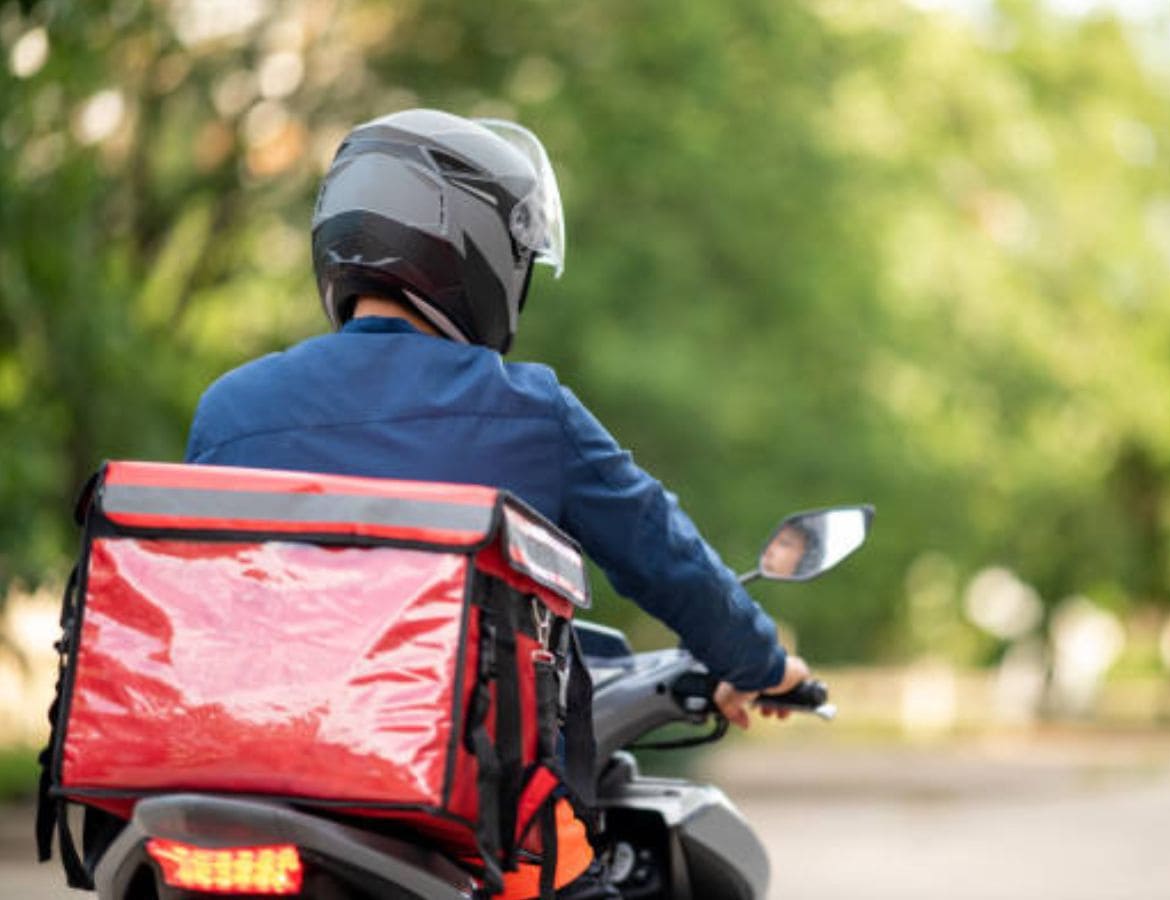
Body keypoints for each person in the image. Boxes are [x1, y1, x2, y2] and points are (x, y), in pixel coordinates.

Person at [185, 109, 810, 898]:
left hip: (253, 793)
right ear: (470, 247)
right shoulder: (528, 411)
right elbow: (665, 555)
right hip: (464, 822)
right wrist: (762, 661)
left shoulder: (229, 411)